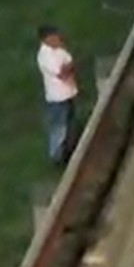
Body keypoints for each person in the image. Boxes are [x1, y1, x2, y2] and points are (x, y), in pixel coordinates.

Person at [36, 25, 79, 165]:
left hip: (68, 94)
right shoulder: (45, 56)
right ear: (45, 39)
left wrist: (69, 68)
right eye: (54, 37)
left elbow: (70, 63)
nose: (58, 39)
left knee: (69, 125)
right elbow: (62, 72)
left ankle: (69, 151)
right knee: (59, 128)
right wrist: (68, 69)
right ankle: (57, 157)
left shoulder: (59, 50)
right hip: (57, 98)